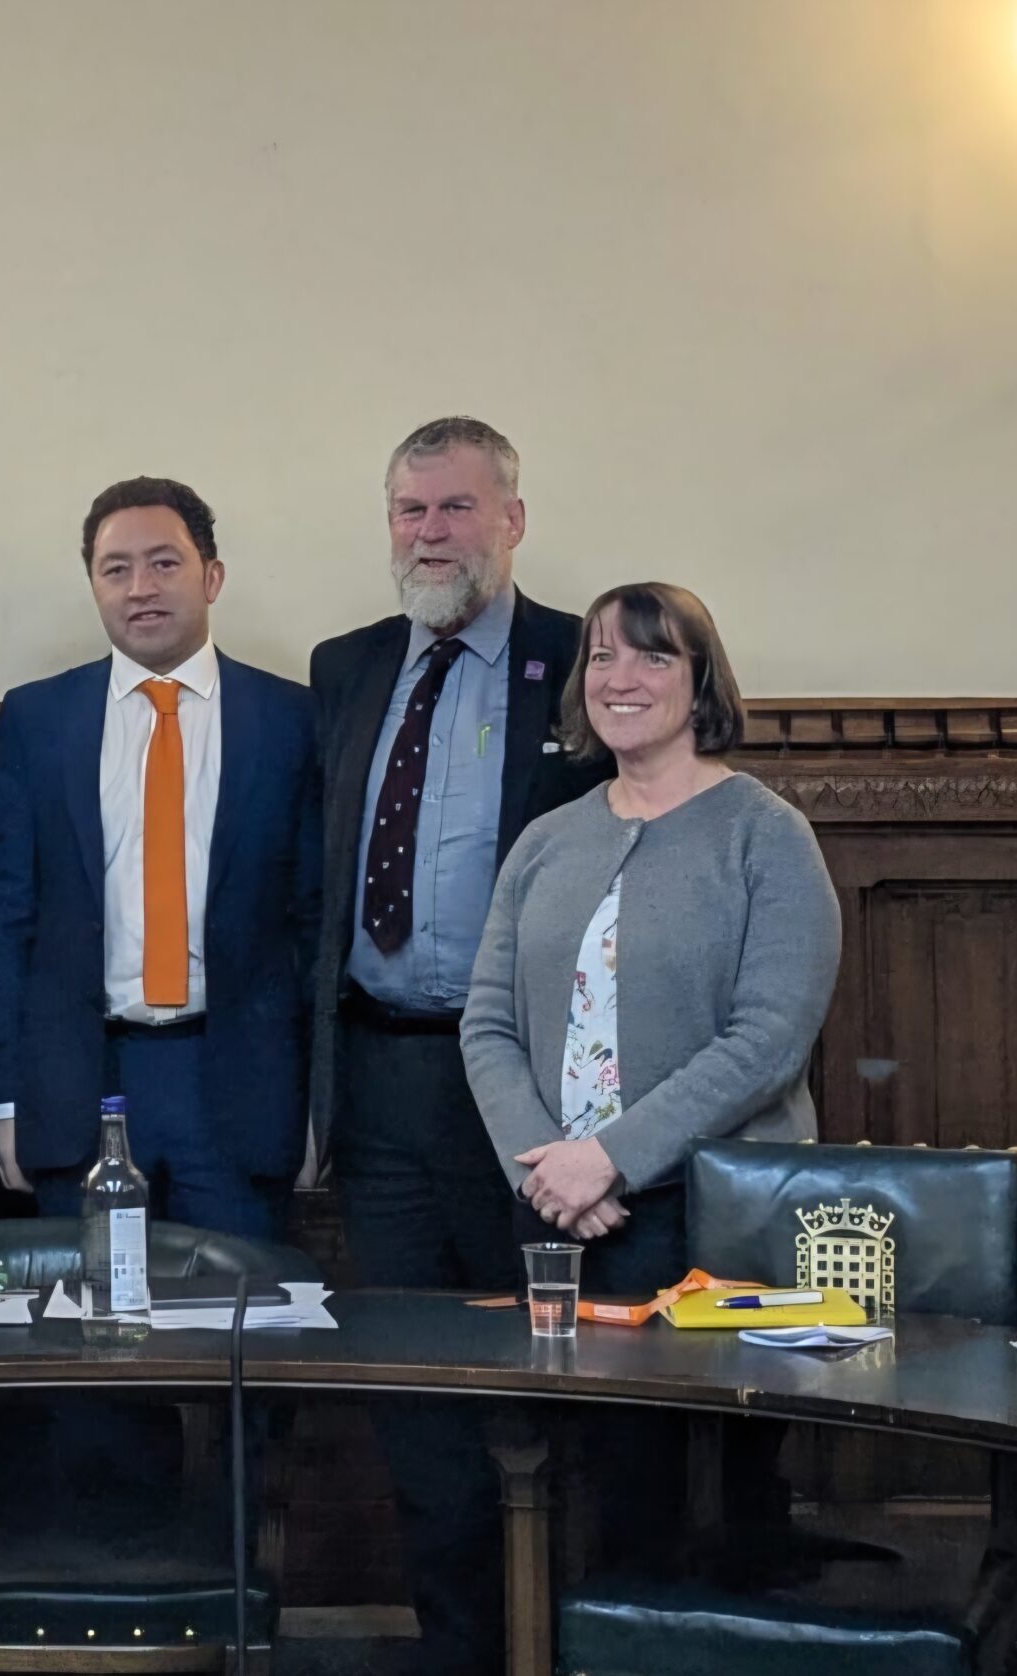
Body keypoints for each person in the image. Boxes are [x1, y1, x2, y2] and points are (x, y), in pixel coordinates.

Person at [305, 417, 608, 1674]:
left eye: (454, 509)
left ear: (511, 521)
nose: (428, 533)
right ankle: (459, 1650)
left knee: (557, 1393)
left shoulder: (579, 660)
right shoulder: (346, 665)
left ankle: (565, 1642)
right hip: (376, 1084)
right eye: (408, 511)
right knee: (413, 1399)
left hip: (527, 1098)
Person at [463, 581, 840, 1563]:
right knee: (573, 1490)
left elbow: (767, 1038)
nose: (620, 678)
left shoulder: (765, 833)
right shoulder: (548, 838)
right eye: (601, 657)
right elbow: (487, 1023)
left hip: (707, 1216)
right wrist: (545, 1168)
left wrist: (611, 1159)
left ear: (701, 680)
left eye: (653, 655)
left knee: (701, 1500)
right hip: (554, 1215)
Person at [0, 477, 321, 1239]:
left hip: (236, 1080)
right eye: (116, 568)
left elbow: (313, 925)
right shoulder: (39, 719)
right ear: (94, 585)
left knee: (236, 1331)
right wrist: (6, 1100)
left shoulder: (290, 718)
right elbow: (4, 922)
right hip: (81, 1081)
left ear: (213, 575)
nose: (141, 588)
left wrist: (314, 1103)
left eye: (165, 563)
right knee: (89, 1337)